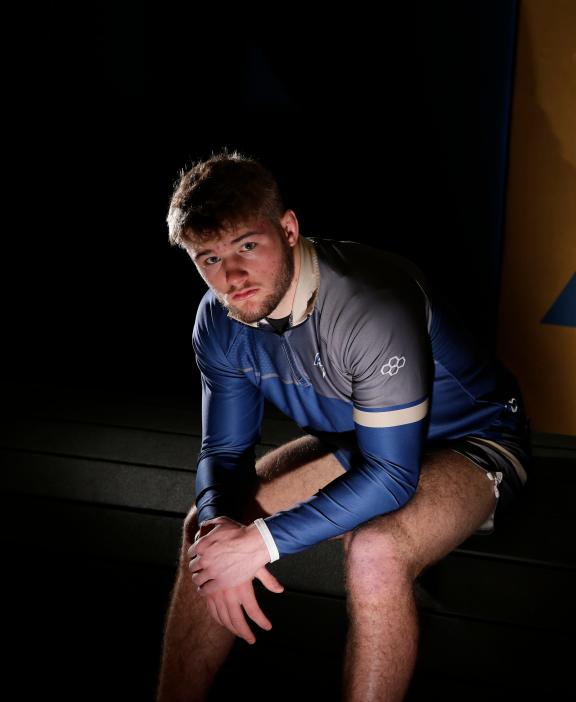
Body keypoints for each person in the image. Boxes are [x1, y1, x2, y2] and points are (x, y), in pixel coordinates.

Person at [155, 151, 531, 701]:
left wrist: (259, 542)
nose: (231, 277)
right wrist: (221, 532)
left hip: (473, 442)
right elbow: (224, 452)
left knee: (374, 551)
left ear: (288, 229)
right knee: (205, 532)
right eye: (208, 258)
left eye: (247, 247)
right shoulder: (218, 318)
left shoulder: (369, 303)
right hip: (360, 437)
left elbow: (392, 475)